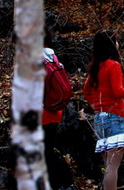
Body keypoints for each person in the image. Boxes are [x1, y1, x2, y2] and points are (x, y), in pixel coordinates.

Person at [83, 31, 124, 190]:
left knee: (108, 164)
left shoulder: (95, 66)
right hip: (114, 115)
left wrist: (95, 106)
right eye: (116, 41)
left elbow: (86, 91)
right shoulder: (113, 65)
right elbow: (118, 92)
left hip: (99, 119)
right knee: (112, 166)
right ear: (111, 44)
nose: (118, 44)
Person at [43, 37, 74, 190]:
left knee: (43, 153)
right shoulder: (51, 56)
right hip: (54, 110)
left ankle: (64, 183)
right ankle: (65, 183)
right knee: (47, 150)